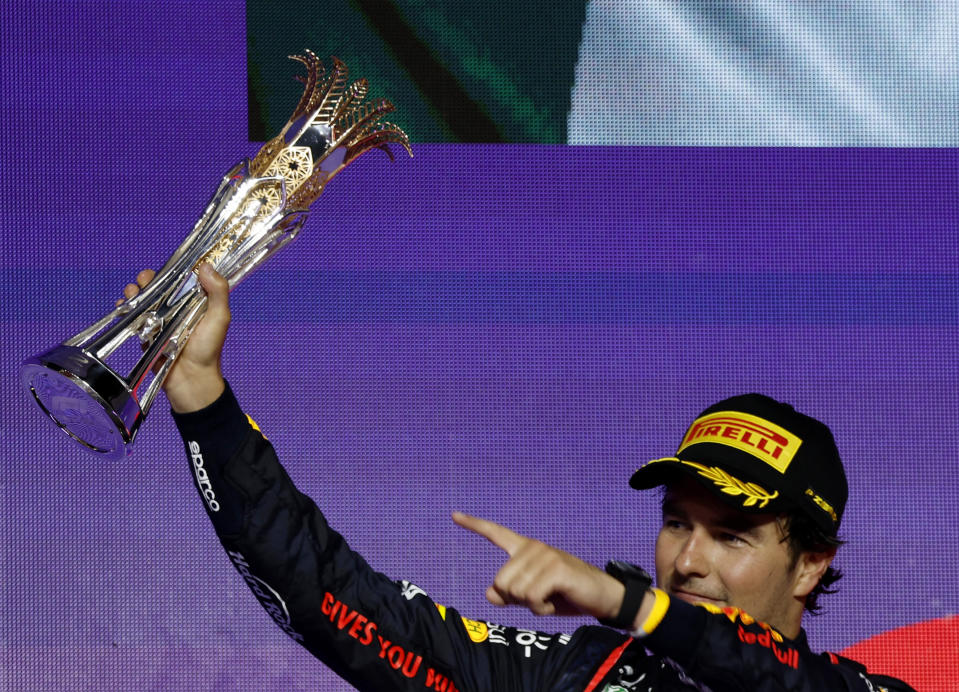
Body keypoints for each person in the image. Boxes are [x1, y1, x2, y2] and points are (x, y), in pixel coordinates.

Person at [123, 265, 915, 691]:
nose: (689, 560)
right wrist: (204, 402)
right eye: (677, 521)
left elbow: (765, 677)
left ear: (810, 563)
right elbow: (330, 599)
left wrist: (623, 601)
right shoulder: (581, 675)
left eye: (732, 534)